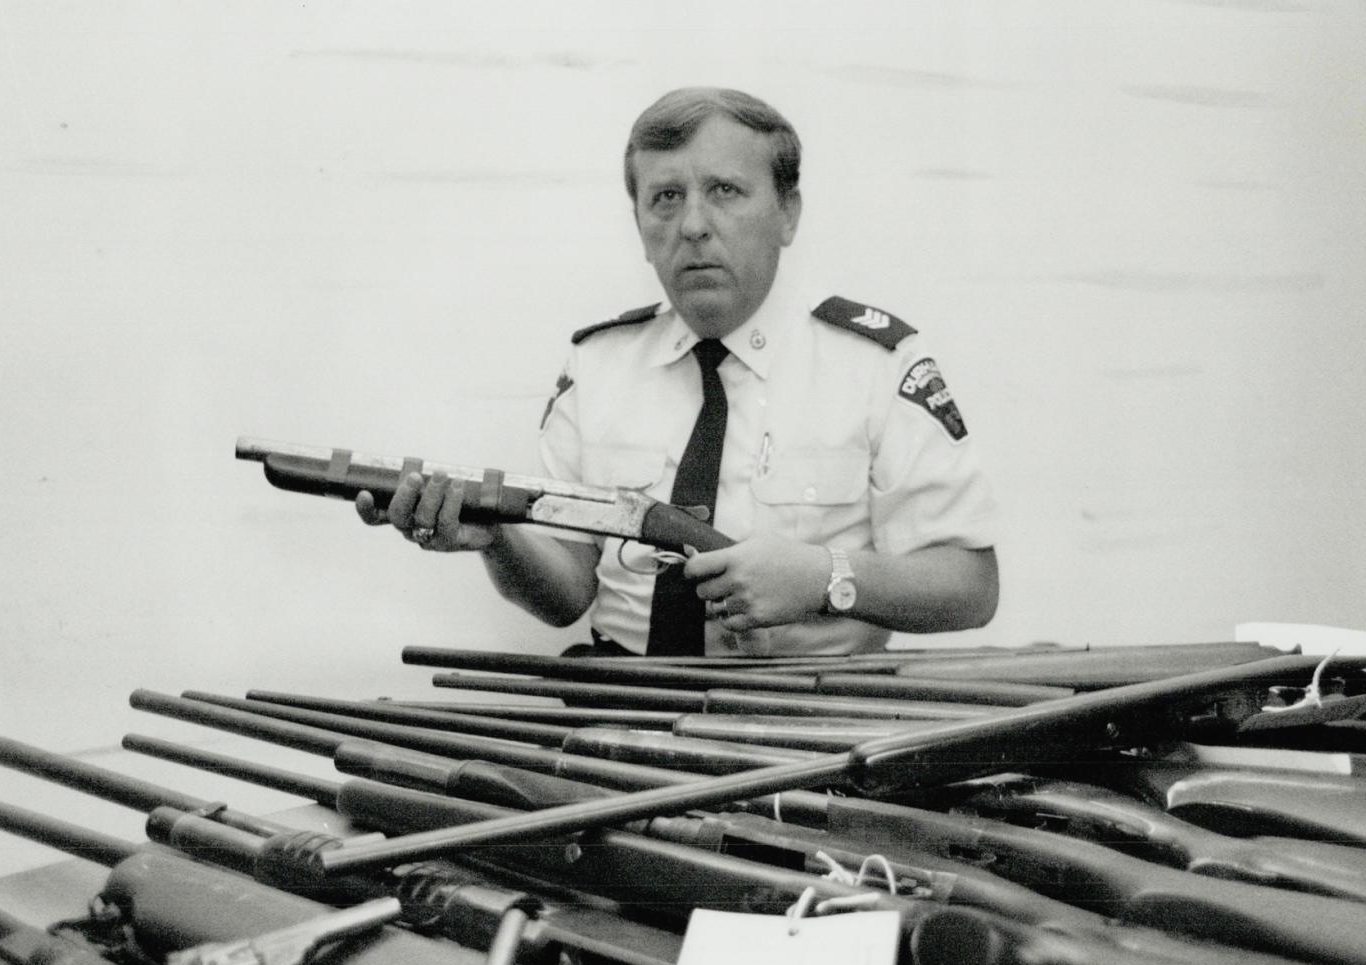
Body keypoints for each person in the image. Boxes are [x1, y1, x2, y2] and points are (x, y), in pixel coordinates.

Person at [358, 86, 999, 656]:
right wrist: (494, 541)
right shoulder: (597, 365)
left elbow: (971, 588)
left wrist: (825, 578)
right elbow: (566, 594)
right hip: (621, 714)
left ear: (788, 214)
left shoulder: (875, 366)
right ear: (639, 227)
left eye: (725, 191)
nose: (693, 226)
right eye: (666, 198)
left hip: (807, 725)